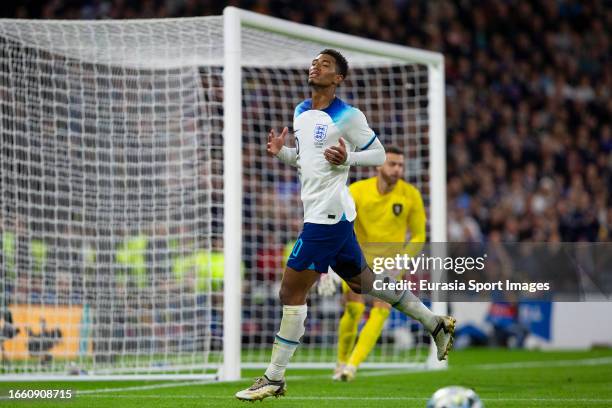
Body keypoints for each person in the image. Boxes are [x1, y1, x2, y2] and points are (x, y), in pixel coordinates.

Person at [235, 49, 455, 402]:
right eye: (314, 62)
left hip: (327, 216)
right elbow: (309, 163)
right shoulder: (301, 112)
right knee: (365, 282)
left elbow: (379, 154)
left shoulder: (349, 116)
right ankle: (435, 323)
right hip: (327, 213)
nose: (316, 66)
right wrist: (283, 153)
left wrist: (349, 156)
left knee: (290, 293)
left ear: (338, 78)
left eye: (325, 64)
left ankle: (273, 378)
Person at [333, 146, 427, 381]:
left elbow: (418, 236)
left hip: (391, 264)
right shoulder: (357, 191)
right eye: (392, 164)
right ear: (378, 166)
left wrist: (402, 263)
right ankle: (341, 361)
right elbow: (339, 226)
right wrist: (329, 267)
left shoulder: (410, 195)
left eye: (400, 165)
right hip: (358, 260)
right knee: (353, 309)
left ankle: (351, 367)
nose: (397, 170)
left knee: (381, 310)